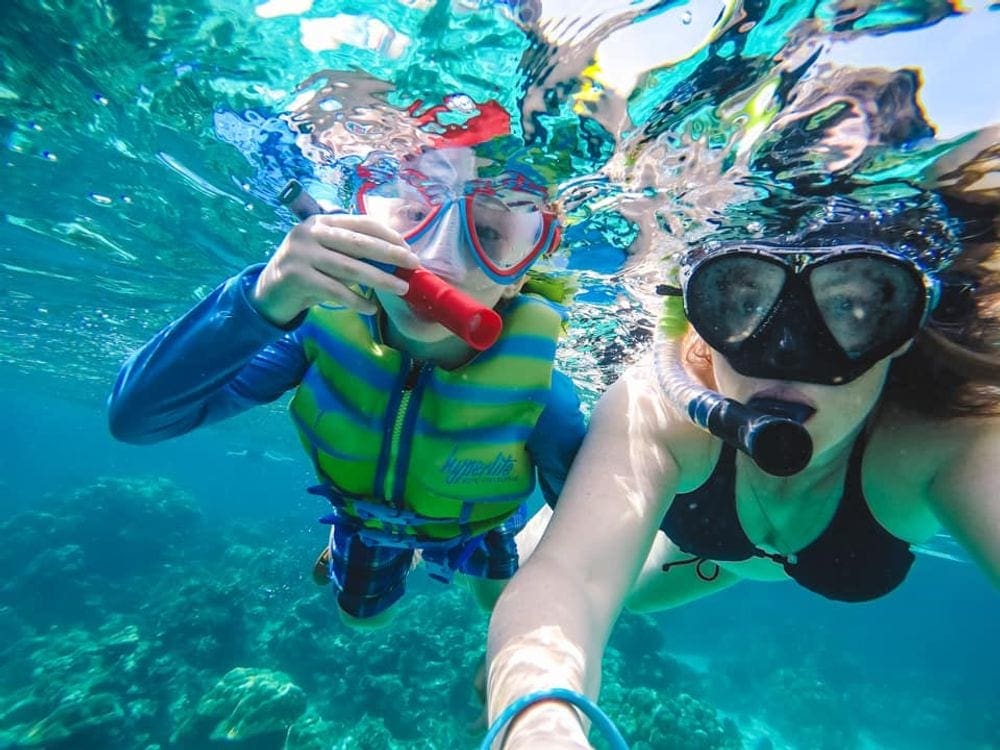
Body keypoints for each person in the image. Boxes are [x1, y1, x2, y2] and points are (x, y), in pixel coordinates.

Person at [484, 193, 1000, 748]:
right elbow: (572, 581)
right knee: (502, 588)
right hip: (693, 553)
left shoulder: (949, 438)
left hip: (727, 553)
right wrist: (538, 721)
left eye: (851, 307)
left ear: (903, 329)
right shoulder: (663, 408)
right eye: (742, 299)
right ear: (701, 317)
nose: (785, 353)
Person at [108, 123, 587, 628]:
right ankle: (379, 547)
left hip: (478, 520)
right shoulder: (312, 334)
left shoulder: (543, 397)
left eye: (489, 234)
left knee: (495, 605)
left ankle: (486, 536)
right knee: (363, 620)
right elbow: (136, 419)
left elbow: (583, 521)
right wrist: (263, 298)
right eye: (413, 215)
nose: (438, 260)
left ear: (519, 275)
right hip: (367, 521)